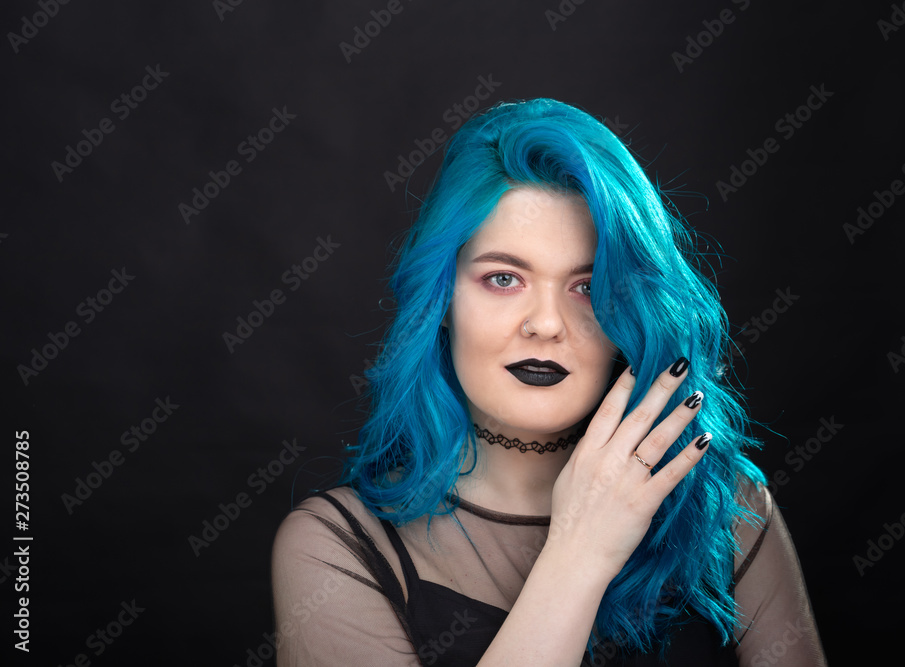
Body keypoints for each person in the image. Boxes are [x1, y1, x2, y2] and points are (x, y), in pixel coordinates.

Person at [271, 98, 827, 666]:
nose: (545, 324)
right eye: (504, 278)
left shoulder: (728, 509)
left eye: (586, 286)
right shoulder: (333, 546)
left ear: (632, 313)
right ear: (442, 300)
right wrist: (580, 551)